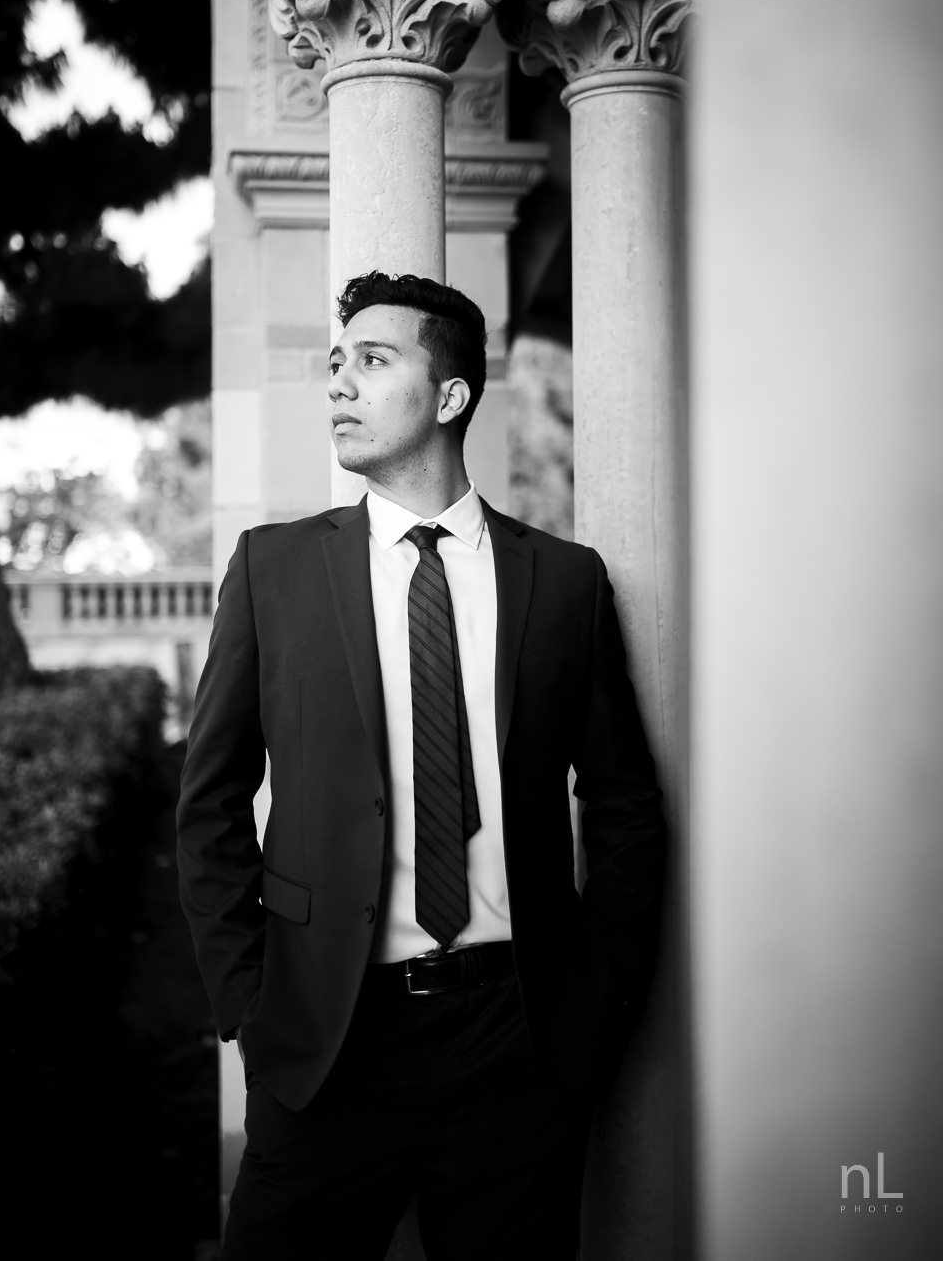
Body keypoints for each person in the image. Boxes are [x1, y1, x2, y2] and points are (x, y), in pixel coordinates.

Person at [176, 270, 665, 1261]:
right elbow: (211, 803)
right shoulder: (273, 570)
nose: (339, 387)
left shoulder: (564, 583)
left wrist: (600, 993)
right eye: (333, 366)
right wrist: (252, 1011)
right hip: (326, 1036)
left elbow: (621, 799)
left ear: (449, 396)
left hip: (515, 1040)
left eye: (373, 360)